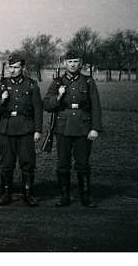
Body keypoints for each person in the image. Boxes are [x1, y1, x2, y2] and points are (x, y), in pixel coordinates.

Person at [43, 52, 102, 207]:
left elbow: (95, 106)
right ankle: (64, 196)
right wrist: (59, 96)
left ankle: (86, 196)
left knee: (82, 163)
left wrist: (95, 128)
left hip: (83, 127)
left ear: (80, 63)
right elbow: (47, 105)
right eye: (70, 61)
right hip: (63, 128)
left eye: (76, 61)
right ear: (65, 63)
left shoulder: (88, 81)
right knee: (63, 163)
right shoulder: (57, 82)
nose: (73, 64)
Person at [0, 54, 43, 206]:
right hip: (6, 128)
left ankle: (28, 194)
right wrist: (2, 100)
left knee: (27, 162)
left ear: (23, 68)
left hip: (26, 128)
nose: (12, 70)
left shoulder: (31, 84)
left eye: (15, 67)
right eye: (10, 67)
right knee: (6, 163)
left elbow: (38, 109)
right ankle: (6, 194)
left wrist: (37, 130)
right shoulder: (2, 84)